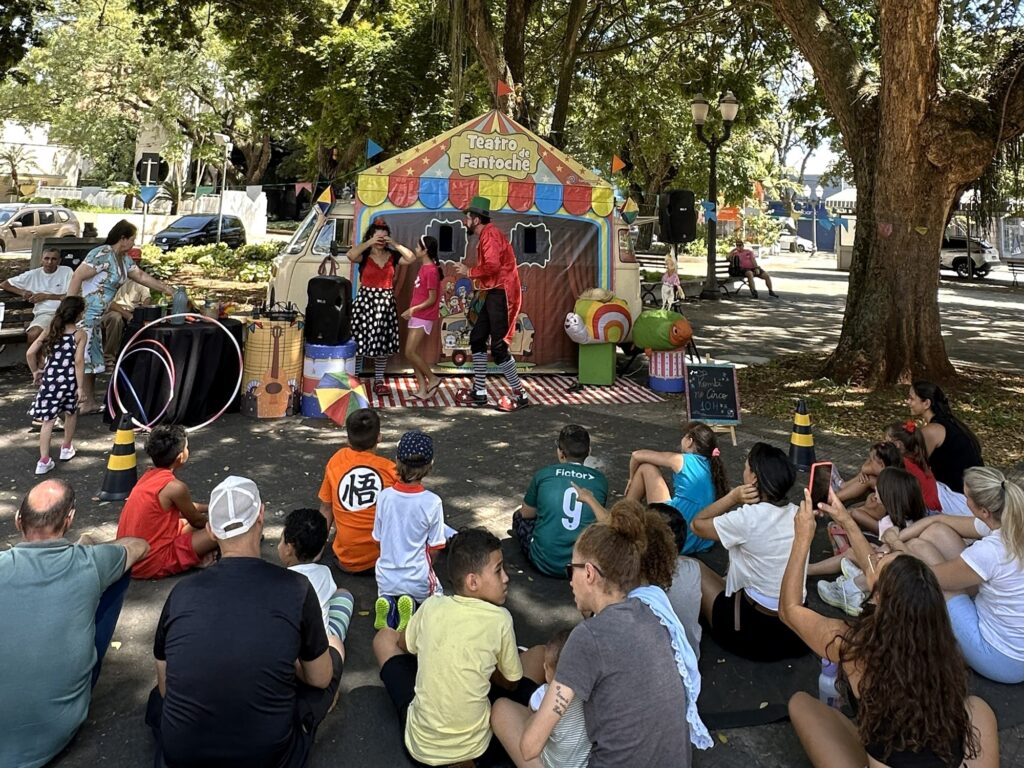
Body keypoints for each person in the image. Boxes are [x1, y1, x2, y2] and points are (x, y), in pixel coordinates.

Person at [780, 488, 999, 768]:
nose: (875, 559)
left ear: (880, 597)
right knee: (978, 709)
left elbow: (789, 611)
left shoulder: (855, 645)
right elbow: (877, 574)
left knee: (800, 703)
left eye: (882, 562)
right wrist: (846, 521)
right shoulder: (939, 637)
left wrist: (802, 540)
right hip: (941, 754)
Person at [148, 475, 344, 768]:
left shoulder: (181, 594)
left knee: (158, 698)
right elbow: (319, 678)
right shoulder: (296, 589)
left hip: (182, 755)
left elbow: (166, 686)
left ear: (212, 531)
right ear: (261, 516)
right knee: (332, 654)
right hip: (268, 756)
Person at [493, 503, 709, 768]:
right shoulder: (654, 610)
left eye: (571, 570)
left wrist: (534, 709)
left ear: (590, 573)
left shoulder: (588, 637)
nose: (570, 581)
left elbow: (529, 746)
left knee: (503, 710)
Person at [0, 479, 148, 768]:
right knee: (120, 571)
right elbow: (140, 546)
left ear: (19, 521)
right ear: (70, 519)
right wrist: (88, 546)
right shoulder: (88, 563)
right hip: (50, 735)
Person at [373, 528, 526, 766]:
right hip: (474, 749)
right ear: (472, 582)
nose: (506, 577)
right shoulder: (501, 620)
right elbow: (512, 681)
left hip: (420, 747)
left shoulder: (432, 606)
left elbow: (403, 645)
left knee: (383, 639)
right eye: (498, 571)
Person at [897, 467, 1024, 684]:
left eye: (967, 498)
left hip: (1003, 659)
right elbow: (941, 521)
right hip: (1013, 641)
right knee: (935, 533)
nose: (964, 502)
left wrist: (896, 543)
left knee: (919, 552)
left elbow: (927, 577)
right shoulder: (1011, 523)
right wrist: (901, 535)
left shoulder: (990, 551)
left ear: (984, 511)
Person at [691, 441, 808, 661]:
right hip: (797, 627)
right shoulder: (801, 515)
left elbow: (697, 524)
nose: (743, 472)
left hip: (754, 627)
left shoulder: (747, 518)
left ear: (753, 478)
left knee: (694, 567)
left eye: (746, 467)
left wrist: (732, 497)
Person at [67, 220, 174, 413]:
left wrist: (167, 289)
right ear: (122, 238)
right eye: (132, 239)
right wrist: (70, 309)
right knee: (81, 359)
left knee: (91, 359)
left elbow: (140, 276)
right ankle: (68, 403)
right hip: (85, 313)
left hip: (98, 314)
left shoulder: (123, 259)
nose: (134, 243)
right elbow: (77, 276)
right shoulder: (101, 254)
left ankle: (88, 402)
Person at [812, 467, 928, 616]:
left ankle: (853, 586)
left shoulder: (890, 524)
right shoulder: (912, 521)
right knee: (854, 550)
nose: (874, 490)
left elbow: (856, 515)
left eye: (877, 489)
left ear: (888, 496)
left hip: (892, 576)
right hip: (894, 568)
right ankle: (856, 578)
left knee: (849, 551)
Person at [454, 195, 530, 411]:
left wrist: (468, 272)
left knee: (498, 348)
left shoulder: (491, 235)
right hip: (490, 291)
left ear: (476, 219)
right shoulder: (486, 235)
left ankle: (521, 395)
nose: (465, 221)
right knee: (477, 338)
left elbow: (493, 266)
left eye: (468, 217)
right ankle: (479, 391)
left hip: (501, 293)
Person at [115, 425, 218, 579]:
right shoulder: (175, 488)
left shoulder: (149, 476)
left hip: (130, 559)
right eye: (187, 448)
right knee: (222, 531)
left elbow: (185, 508)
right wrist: (219, 522)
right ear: (180, 457)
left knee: (185, 524)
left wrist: (210, 507)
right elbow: (196, 520)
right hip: (151, 562)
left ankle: (196, 556)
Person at [511, 424, 609, 578]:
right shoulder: (600, 481)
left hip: (543, 562)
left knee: (519, 516)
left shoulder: (544, 474)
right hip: (579, 567)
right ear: (589, 452)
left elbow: (527, 513)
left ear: (560, 453)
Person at [372, 431, 447, 631]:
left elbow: (378, 539)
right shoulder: (432, 502)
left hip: (385, 578)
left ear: (397, 460)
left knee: (389, 592)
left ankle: (389, 603)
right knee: (439, 594)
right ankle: (412, 607)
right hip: (417, 578)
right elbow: (436, 547)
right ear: (430, 464)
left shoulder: (384, 497)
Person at [625, 420, 729, 554]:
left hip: (675, 535)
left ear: (690, 441)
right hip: (700, 540)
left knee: (647, 467)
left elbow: (637, 455)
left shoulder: (681, 459)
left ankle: (622, 517)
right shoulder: (714, 468)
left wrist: (631, 478)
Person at [318, 408, 398, 573]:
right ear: (379, 437)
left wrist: (317, 549)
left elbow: (326, 508)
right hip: (384, 560)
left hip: (345, 560)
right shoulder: (391, 470)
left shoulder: (336, 460)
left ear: (348, 440)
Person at [347, 217, 416, 395]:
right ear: (371, 236)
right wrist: (369, 242)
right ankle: (355, 379)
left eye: (383, 237)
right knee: (359, 342)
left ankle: (379, 381)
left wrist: (394, 243)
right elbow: (351, 255)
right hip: (365, 302)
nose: (381, 241)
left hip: (384, 303)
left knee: (382, 345)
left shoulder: (392, 256)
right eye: (378, 237)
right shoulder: (364, 256)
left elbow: (411, 258)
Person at [26, 296, 86, 475]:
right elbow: (79, 361)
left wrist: (35, 371)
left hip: (51, 381)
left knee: (48, 421)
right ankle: (66, 447)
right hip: (69, 380)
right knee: (71, 412)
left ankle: (44, 460)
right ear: (79, 313)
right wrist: (80, 386)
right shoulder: (80, 334)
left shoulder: (51, 329)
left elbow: (30, 353)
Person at [277, 508, 355, 642]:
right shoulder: (324, 572)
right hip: (322, 646)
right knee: (344, 594)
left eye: (281, 540)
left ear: (289, 549)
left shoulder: (279, 579)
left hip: (288, 647)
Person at [908, 380, 983, 502]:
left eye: (911, 399)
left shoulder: (932, 431)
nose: (908, 402)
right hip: (968, 492)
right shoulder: (950, 422)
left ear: (926, 403)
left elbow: (913, 467)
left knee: (883, 481)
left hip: (957, 497)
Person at [0, 246, 73, 352]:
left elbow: (71, 296)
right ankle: (34, 366)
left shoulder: (67, 272)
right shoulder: (33, 274)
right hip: (45, 314)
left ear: (59, 261)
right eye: (46, 258)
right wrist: (23, 292)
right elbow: (4, 284)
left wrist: (47, 296)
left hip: (66, 313)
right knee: (33, 334)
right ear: (41, 259)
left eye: (54, 259)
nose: (49, 262)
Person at [402, 234, 443, 399]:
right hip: (417, 314)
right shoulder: (424, 267)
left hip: (423, 315)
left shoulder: (431, 271)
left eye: (418, 247)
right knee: (412, 353)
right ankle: (422, 390)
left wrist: (412, 310)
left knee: (409, 352)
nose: (415, 249)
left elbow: (432, 299)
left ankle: (433, 378)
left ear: (425, 251)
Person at [100, 246, 151, 368]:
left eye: (137, 261)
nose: (134, 264)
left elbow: (147, 298)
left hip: (132, 311)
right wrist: (126, 314)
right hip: (110, 310)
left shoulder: (140, 278)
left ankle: (136, 358)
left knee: (144, 321)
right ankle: (109, 358)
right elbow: (108, 302)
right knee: (115, 318)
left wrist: (142, 313)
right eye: (132, 261)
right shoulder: (112, 277)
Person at [885, 420, 941, 513]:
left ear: (897, 444)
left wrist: (865, 470)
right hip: (932, 505)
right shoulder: (916, 456)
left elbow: (871, 470)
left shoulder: (903, 462)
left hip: (925, 509)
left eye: (887, 442)